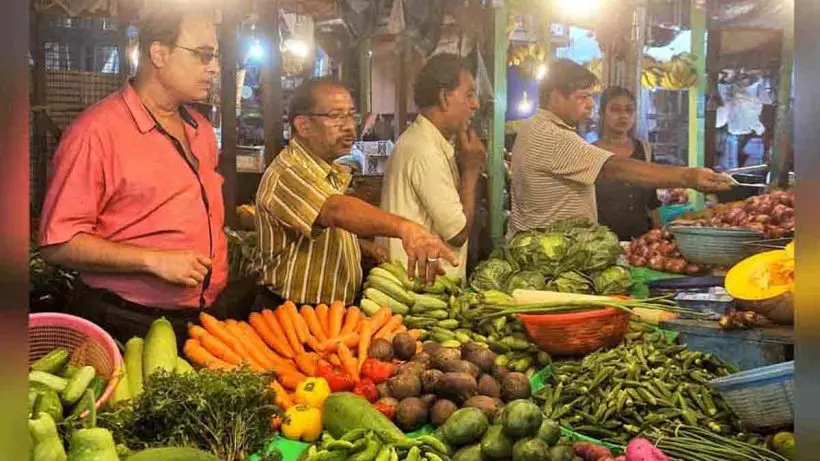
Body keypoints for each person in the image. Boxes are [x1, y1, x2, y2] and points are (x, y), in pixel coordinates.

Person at [38, 7, 228, 346]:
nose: (214, 68)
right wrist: (151, 260)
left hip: (199, 320)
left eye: (215, 57)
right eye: (204, 55)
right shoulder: (96, 133)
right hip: (124, 320)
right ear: (159, 53)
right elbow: (58, 243)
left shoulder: (201, 131)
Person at [253, 78, 457, 308]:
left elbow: (314, 231)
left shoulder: (326, 169)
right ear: (303, 125)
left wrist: (360, 245)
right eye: (336, 116)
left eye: (351, 115)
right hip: (291, 314)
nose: (349, 126)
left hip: (332, 314)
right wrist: (406, 228)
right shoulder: (289, 172)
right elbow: (335, 210)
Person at [507, 59, 734, 239]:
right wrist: (689, 176)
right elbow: (613, 168)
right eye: (582, 97)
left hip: (552, 250)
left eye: (591, 96)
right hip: (547, 257)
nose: (590, 104)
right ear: (556, 97)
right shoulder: (551, 135)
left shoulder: (537, 128)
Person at [379, 54, 486, 279]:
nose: (475, 104)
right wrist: (471, 171)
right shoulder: (425, 150)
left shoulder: (427, 141)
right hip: (422, 292)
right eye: (469, 95)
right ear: (444, 97)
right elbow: (457, 233)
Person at [594, 86, 662, 241]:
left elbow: (652, 201)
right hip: (602, 243)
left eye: (629, 110)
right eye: (615, 110)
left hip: (641, 241)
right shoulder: (591, 153)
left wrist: (659, 236)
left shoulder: (645, 150)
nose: (623, 116)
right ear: (602, 113)